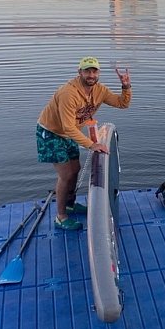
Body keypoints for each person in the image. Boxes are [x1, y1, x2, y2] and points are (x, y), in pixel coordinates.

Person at [36, 57, 132, 230]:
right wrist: (91, 144)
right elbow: (68, 126)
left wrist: (125, 86)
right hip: (50, 132)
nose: (91, 75)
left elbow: (122, 104)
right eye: (87, 71)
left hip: (69, 133)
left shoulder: (99, 90)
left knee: (75, 170)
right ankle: (61, 216)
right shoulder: (68, 93)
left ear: (98, 73)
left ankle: (70, 204)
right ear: (79, 72)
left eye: (94, 71)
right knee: (65, 174)